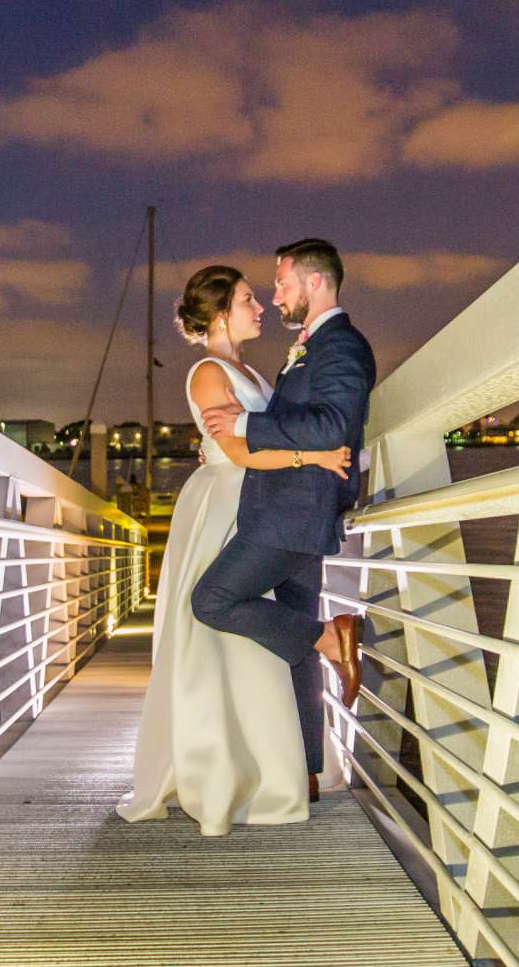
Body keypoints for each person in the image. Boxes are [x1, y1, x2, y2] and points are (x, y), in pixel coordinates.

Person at [116, 265, 355, 834]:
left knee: (247, 629)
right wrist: (314, 459)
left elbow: (263, 433)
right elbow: (244, 453)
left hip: (260, 501)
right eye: (249, 299)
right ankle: (223, 759)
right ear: (221, 312)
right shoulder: (206, 374)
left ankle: (285, 763)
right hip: (225, 504)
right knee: (215, 622)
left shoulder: (251, 372)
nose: (261, 307)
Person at [191, 239, 373, 799]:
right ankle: (307, 772)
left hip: (295, 509)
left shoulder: (340, 345)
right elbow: (299, 425)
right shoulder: (310, 348)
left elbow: (329, 427)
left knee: (213, 601)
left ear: (313, 283)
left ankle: (330, 636)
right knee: (294, 641)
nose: (276, 295)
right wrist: (225, 444)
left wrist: (244, 427)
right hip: (285, 505)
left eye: (282, 283)